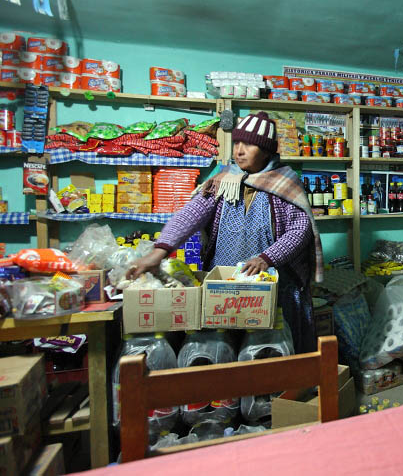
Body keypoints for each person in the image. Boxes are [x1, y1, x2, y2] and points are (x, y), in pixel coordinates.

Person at [127, 112, 323, 353]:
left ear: (267, 151)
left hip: (275, 282)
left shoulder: (285, 183)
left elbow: (299, 230)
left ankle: (283, 388)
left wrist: (267, 258)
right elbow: (191, 214)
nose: (239, 151)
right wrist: (160, 250)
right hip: (225, 283)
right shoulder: (223, 180)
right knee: (225, 346)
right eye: (237, 143)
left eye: (249, 145)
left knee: (273, 346)